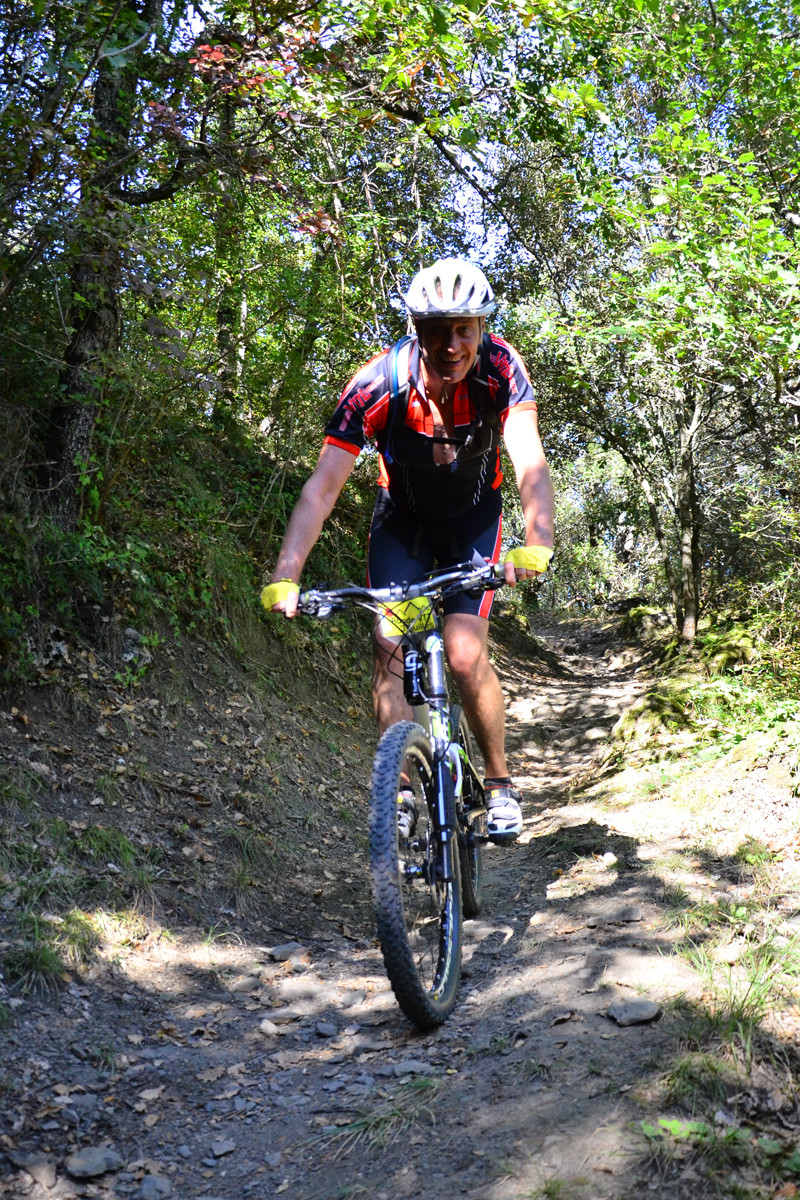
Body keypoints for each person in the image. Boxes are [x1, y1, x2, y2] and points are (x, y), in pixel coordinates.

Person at [261, 258, 554, 843]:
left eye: (465, 328)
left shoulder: (500, 369)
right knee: (388, 645)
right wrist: (286, 575)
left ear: (482, 326)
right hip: (404, 527)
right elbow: (322, 487)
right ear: (415, 329)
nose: (452, 344)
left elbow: (528, 455)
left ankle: (498, 785)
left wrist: (537, 541)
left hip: (473, 521)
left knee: (465, 653)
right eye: (438, 330)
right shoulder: (375, 384)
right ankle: (396, 792)